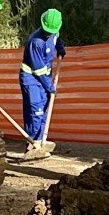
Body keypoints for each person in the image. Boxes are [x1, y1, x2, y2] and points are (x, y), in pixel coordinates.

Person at [18, 8, 66, 157]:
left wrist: (60, 48)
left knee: (43, 109)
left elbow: (56, 39)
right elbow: (38, 70)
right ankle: (33, 144)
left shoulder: (54, 32)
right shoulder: (36, 42)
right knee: (35, 110)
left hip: (44, 78)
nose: (48, 33)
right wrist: (50, 87)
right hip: (31, 78)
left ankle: (39, 140)